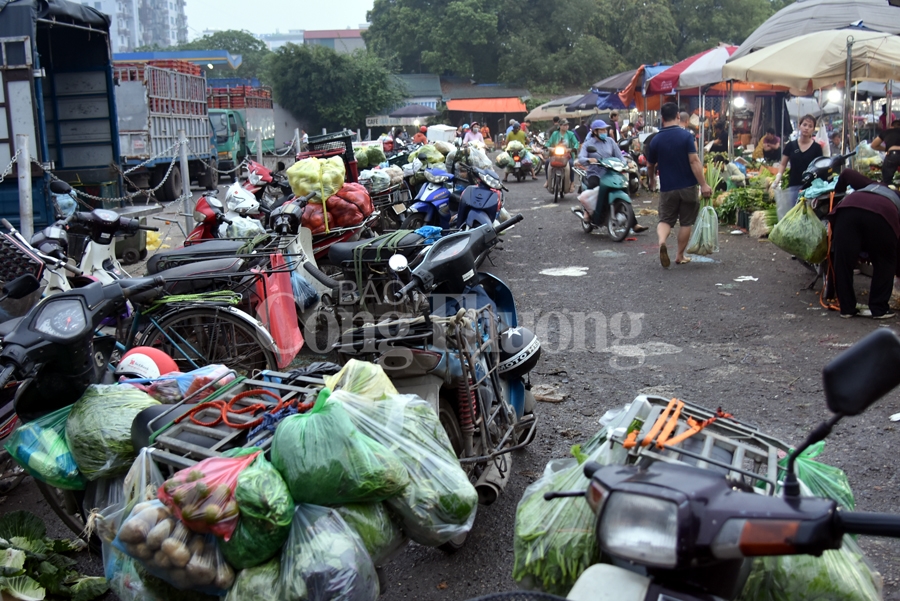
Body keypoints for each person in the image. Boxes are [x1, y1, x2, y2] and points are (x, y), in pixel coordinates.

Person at [646, 102, 713, 268]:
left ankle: (662, 242)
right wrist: (703, 185)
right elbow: (694, 161)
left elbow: (649, 165)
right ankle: (679, 256)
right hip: (688, 186)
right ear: (678, 116)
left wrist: (652, 179)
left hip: (668, 187)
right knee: (685, 222)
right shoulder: (686, 136)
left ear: (662, 118)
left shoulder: (655, 140)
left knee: (665, 220)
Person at [828, 168, 900, 319]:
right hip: (882, 216)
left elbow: (846, 172)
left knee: (843, 261)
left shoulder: (869, 184)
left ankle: (847, 308)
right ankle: (879, 308)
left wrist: (837, 194)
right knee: (885, 261)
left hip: (848, 211)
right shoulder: (895, 197)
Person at [576, 120, 649, 232]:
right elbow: (581, 158)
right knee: (593, 186)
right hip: (595, 173)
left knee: (623, 190)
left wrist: (625, 163)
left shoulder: (610, 141)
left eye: (605, 130)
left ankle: (634, 224)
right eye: (602, 130)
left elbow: (619, 156)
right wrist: (588, 160)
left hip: (610, 172)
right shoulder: (588, 144)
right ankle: (587, 211)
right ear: (595, 131)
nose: (605, 132)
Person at [775, 114, 823, 208]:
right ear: (799, 126)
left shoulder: (817, 148)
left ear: (813, 130)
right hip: (793, 185)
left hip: (811, 188)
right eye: (804, 125)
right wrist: (778, 177)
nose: (806, 128)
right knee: (793, 212)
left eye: (810, 126)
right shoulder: (791, 146)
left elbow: (820, 167)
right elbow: (783, 164)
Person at [546, 119, 579, 189]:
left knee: (571, 164)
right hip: (555, 154)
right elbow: (549, 142)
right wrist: (546, 146)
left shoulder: (570, 134)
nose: (566, 126)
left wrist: (574, 148)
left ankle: (572, 183)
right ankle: (547, 180)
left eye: (567, 125)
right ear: (560, 126)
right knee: (547, 162)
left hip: (567, 155)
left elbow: (576, 143)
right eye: (564, 125)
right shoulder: (555, 134)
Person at [871, 119, 900, 187]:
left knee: (887, 181)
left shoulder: (887, 132)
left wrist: (887, 149)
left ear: (891, 126)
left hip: (892, 155)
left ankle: (891, 194)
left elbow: (873, 145)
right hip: (893, 153)